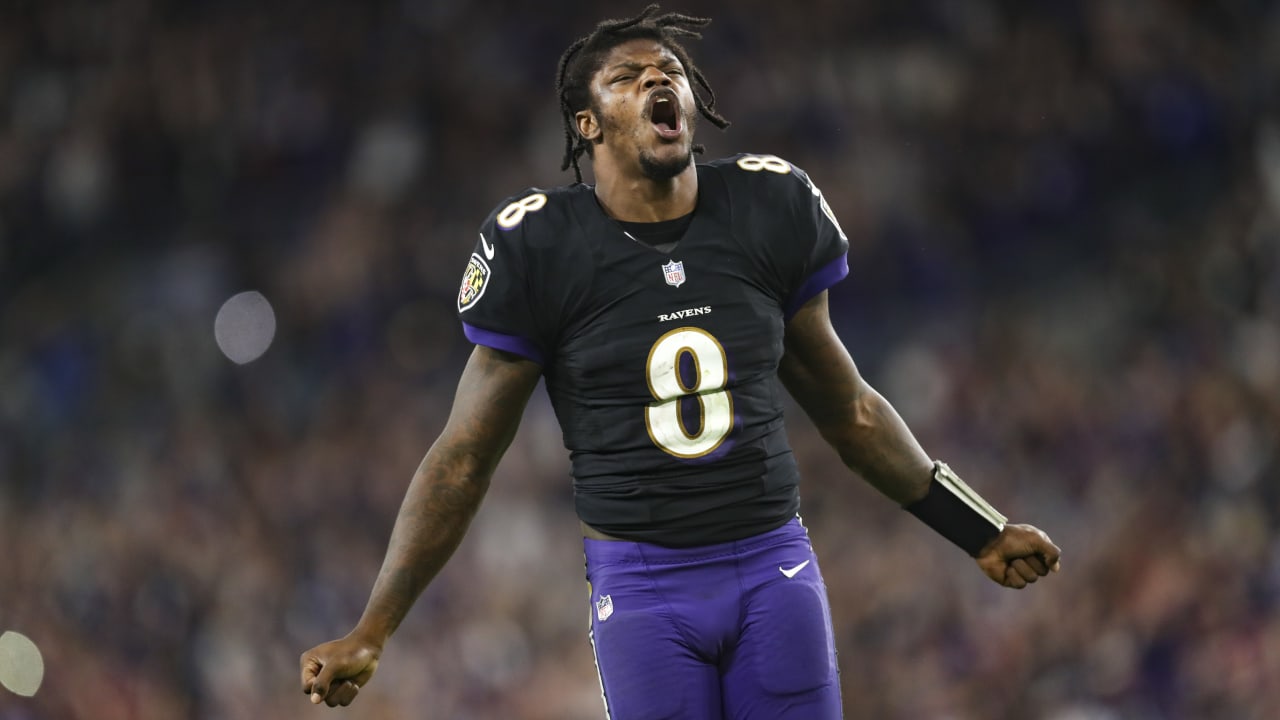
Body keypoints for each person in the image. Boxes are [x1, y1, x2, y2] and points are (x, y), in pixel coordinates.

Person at [299, 5, 1062, 717]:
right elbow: (463, 458)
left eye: (668, 69)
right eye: (627, 78)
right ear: (587, 123)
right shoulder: (539, 245)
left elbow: (851, 412)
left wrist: (981, 531)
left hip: (773, 566)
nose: (658, 79)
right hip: (643, 588)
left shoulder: (769, 207)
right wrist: (375, 627)